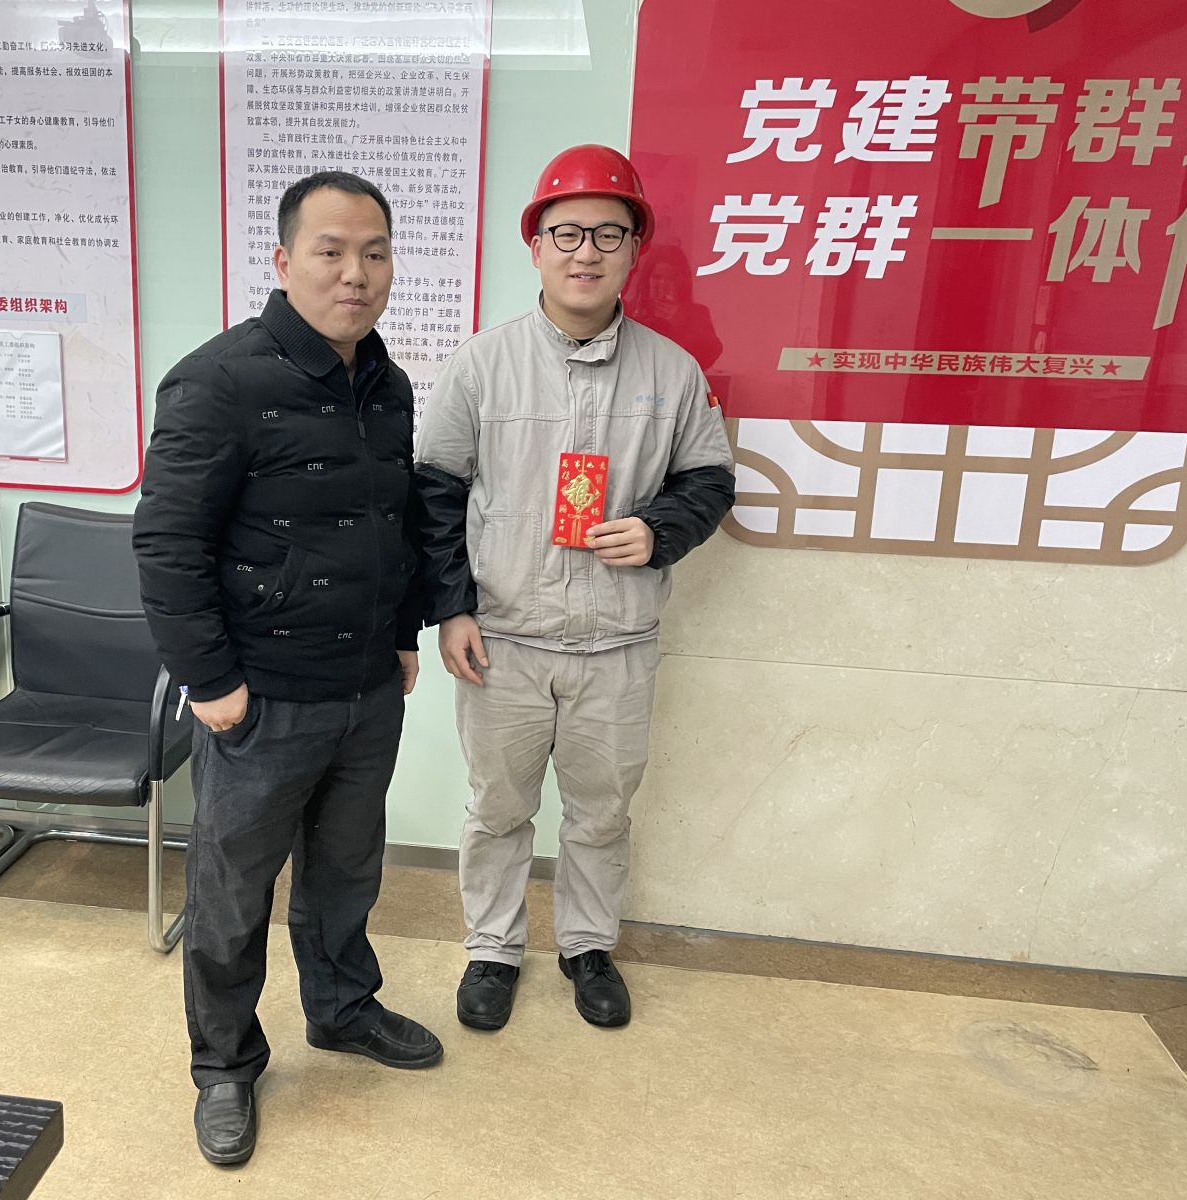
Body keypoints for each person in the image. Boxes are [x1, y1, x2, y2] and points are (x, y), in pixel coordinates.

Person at [133, 170, 441, 1168]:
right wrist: (210, 682)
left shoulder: (386, 384)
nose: (356, 273)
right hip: (259, 700)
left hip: (366, 690)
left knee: (347, 872)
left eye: (374, 253)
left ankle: (342, 1008)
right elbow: (168, 545)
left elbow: (394, 522)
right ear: (282, 260)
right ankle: (224, 1064)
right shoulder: (218, 382)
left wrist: (405, 632)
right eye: (331, 250)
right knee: (232, 893)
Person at [412, 144, 735, 1033]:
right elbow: (434, 495)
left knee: (601, 812)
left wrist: (660, 530)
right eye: (566, 233)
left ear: (635, 249)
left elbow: (709, 481)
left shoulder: (672, 372)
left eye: (608, 233)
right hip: (504, 642)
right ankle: (492, 948)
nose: (585, 251)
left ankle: (588, 946)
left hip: (617, 645)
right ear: (536, 245)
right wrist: (451, 608)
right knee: (498, 808)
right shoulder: (482, 365)